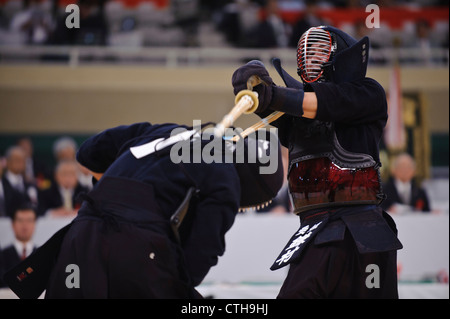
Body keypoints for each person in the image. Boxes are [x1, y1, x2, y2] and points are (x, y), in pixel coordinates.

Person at [5, 122, 283, 299]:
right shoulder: (226, 177)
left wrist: (115, 195)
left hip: (79, 240)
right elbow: (198, 258)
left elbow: (89, 152)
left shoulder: (163, 131)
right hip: (137, 256)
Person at [231, 25, 403, 298]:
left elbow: (326, 103)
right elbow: (287, 109)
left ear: (342, 57)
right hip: (314, 229)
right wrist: (254, 88)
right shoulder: (299, 115)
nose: (310, 61)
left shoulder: (368, 93)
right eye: (306, 56)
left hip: (364, 230)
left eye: (319, 53)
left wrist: (273, 95)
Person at [0, 203, 38, 288]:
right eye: (20, 220)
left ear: (35, 224)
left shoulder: (41, 254)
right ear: (13, 224)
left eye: (29, 220)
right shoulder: (2, 256)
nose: (25, 226)